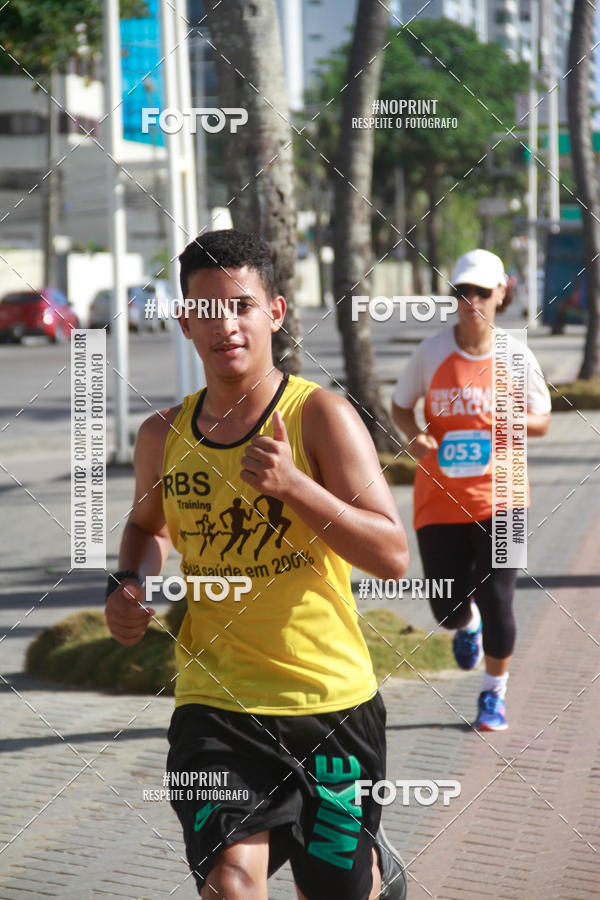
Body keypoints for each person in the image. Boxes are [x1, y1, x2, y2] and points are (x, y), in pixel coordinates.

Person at [105, 229, 410, 899]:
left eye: (241, 306)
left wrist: (297, 488)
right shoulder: (163, 436)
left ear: (273, 312)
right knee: (231, 882)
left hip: (330, 706)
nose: (226, 325)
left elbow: (391, 554)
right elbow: (145, 527)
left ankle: (373, 870)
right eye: (207, 310)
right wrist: (129, 582)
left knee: (333, 891)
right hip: (217, 708)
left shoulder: (320, 417)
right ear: (185, 320)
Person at [392, 249, 551, 732]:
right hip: (438, 499)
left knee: (499, 597)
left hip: (503, 496)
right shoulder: (431, 352)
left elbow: (542, 420)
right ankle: (467, 626)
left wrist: (509, 421)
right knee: (446, 606)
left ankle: (493, 694)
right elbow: (401, 408)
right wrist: (414, 436)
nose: (472, 301)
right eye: (463, 292)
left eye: (482, 291)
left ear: (501, 292)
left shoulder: (516, 353)